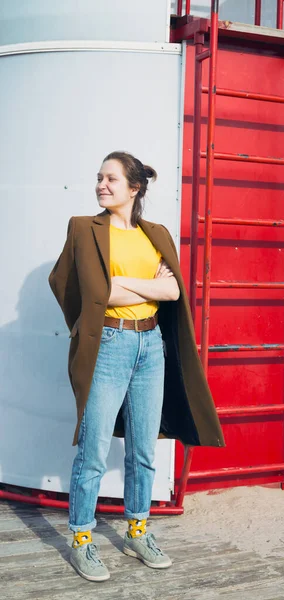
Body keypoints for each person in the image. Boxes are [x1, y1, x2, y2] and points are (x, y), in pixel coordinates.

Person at [48, 151, 225, 582]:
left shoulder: (156, 233)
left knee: (144, 450)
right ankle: (83, 541)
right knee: (93, 452)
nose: (101, 185)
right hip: (108, 344)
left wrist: (119, 284)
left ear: (135, 187)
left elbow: (172, 292)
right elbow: (87, 291)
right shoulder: (84, 229)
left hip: (151, 348)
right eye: (99, 178)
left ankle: (137, 531)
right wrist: (133, 289)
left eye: (111, 179)